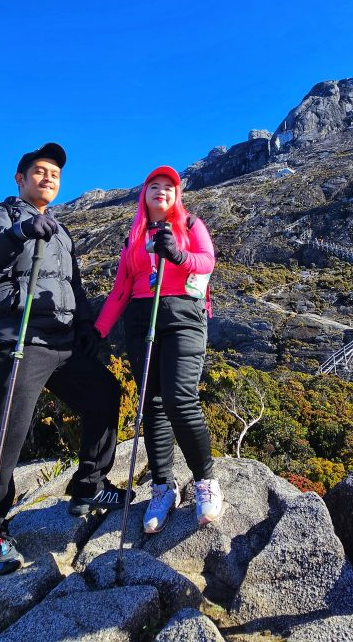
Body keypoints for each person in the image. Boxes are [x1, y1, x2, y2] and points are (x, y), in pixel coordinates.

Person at [0, 142, 128, 575]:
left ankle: (90, 485)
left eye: (54, 173)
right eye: (39, 171)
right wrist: (15, 236)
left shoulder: (60, 229)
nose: (48, 177)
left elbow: (72, 284)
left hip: (61, 341)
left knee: (105, 393)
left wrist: (88, 327)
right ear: (20, 178)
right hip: (15, 338)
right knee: (5, 434)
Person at [94, 165, 223, 533]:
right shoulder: (133, 237)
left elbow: (207, 261)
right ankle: (162, 487)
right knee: (151, 404)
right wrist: (100, 330)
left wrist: (178, 256)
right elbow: (120, 289)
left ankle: (205, 481)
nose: (162, 191)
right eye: (155, 185)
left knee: (179, 399)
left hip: (183, 315)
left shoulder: (190, 225)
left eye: (169, 186)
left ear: (176, 195)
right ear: (145, 193)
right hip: (140, 321)